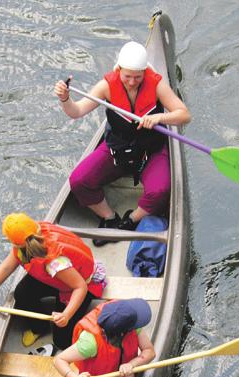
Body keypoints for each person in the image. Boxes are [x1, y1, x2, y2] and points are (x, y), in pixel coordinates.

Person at [54, 41, 191, 245]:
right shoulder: (106, 86)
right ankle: (110, 219)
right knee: (79, 181)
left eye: (138, 77)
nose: (132, 82)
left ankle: (130, 220)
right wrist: (65, 99)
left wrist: (159, 118)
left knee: (160, 190)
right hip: (117, 151)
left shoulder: (157, 85)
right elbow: (77, 111)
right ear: (118, 69)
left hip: (150, 152)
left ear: (145, 72)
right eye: (127, 76)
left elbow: (184, 115)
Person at [0, 213, 106, 351]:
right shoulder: (28, 238)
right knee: (22, 294)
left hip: (79, 285)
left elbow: (80, 286)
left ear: (14, 242)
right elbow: (5, 268)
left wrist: (66, 315)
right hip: (57, 279)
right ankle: (39, 327)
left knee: (62, 341)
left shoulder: (54, 262)